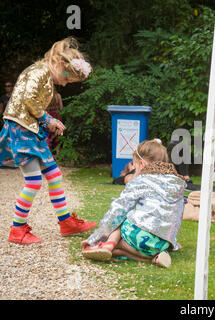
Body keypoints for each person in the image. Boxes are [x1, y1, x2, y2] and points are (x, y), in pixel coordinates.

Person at [1, 37, 96, 245]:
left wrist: (46, 121)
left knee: (54, 175)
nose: (64, 83)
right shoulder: (38, 71)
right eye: (66, 78)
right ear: (60, 64)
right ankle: (17, 230)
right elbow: (28, 99)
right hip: (21, 130)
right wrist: (48, 119)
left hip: (31, 130)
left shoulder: (45, 74)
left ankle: (66, 222)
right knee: (34, 182)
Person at [81, 139, 186, 268]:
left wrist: (95, 238)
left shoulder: (141, 180)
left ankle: (108, 244)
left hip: (136, 236)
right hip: (161, 243)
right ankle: (153, 258)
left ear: (141, 164)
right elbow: (176, 216)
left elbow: (118, 210)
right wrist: (172, 243)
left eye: (134, 166)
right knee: (131, 241)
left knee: (123, 215)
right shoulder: (177, 184)